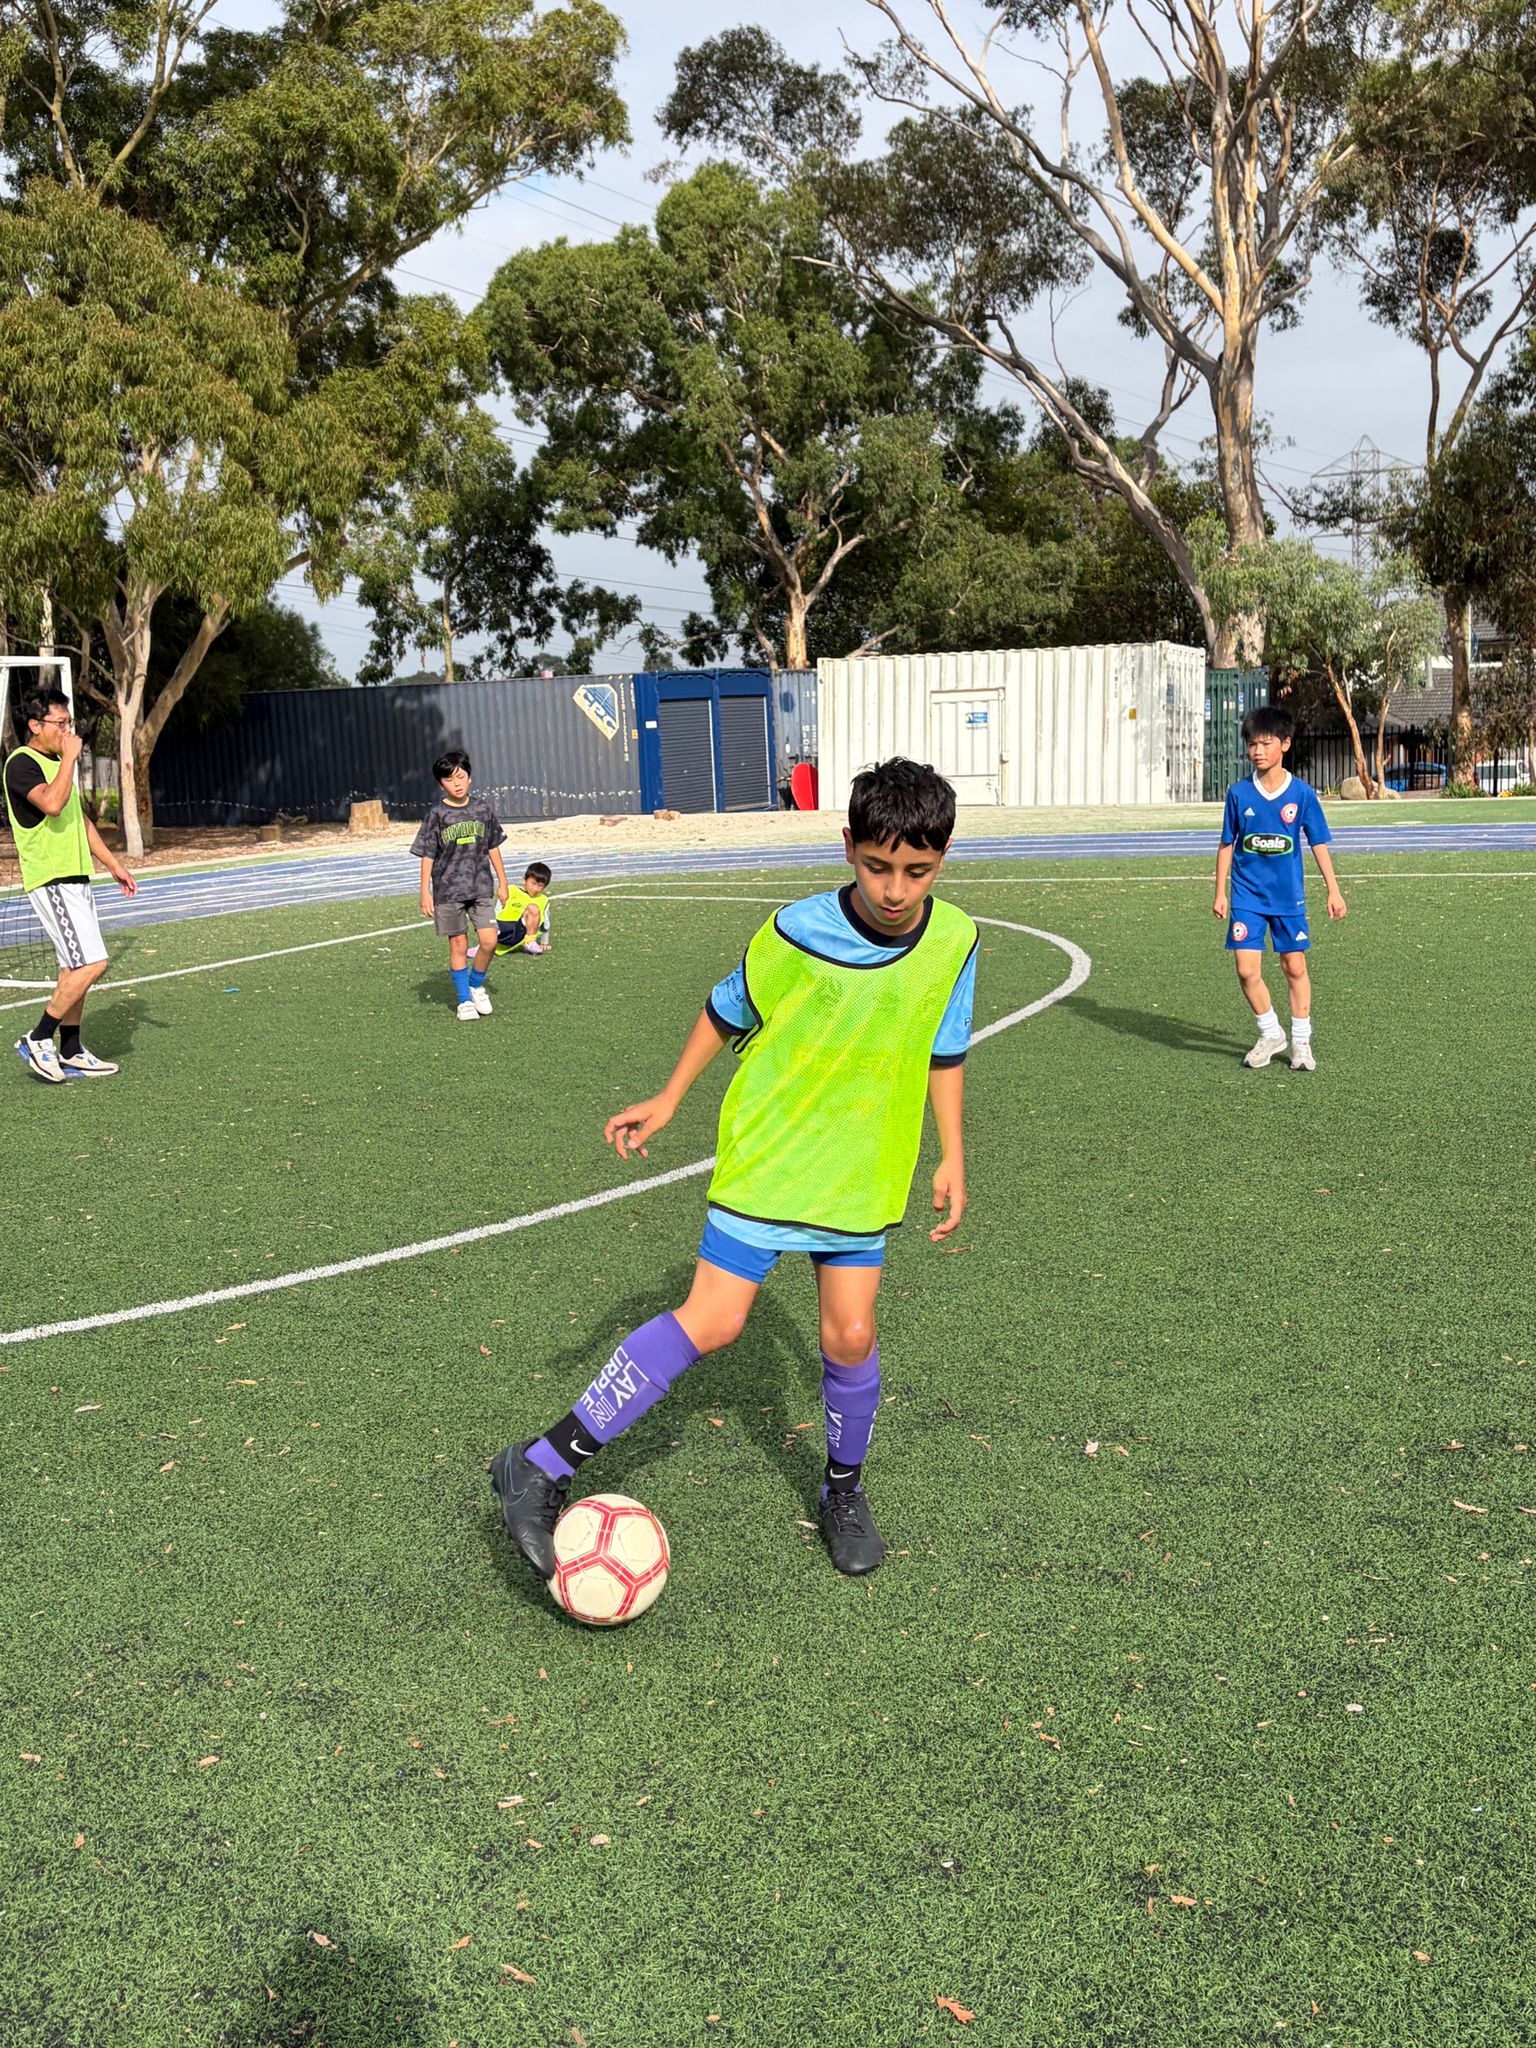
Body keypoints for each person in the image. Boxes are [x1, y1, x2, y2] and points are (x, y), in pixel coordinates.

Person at [490, 757, 977, 1579]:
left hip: (863, 1166)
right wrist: (669, 1098)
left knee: (852, 1335)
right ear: (848, 847)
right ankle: (537, 1466)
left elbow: (946, 1048)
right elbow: (725, 1010)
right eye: (877, 867)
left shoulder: (956, 940)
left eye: (917, 871)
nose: (896, 890)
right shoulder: (794, 932)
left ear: (944, 857)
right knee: (714, 1321)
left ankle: (843, 1492)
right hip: (770, 1153)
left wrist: (953, 1152)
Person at [4, 688, 137, 1082]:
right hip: (52, 879)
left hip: (76, 877)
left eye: (69, 723)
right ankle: (38, 1037)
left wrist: (113, 864)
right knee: (92, 963)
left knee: (73, 967)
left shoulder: (57, 764)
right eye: (60, 723)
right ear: (35, 725)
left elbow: (79, 820)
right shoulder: (21, 763)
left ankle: (71, 1048)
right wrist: (69, 759)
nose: (67, 731)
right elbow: (52, 805)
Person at [1213, 706, 1346, 1073]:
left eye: (1266, 743)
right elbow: (1226, 843)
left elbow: (1318, 842)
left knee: (1294, 966)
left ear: (1285, 744)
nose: (1257, 751)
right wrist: (1220, 891)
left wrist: (1333, 890)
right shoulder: (1238, 793)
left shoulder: (1301, 794)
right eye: (1252, 744)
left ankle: (1301, 1041)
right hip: (1247, 896)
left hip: (1288, 897)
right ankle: (1271, 1033)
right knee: (1246, 970)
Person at [410, 750, 510, 1022]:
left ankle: (475, 984)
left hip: (480, 888)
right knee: (458, 945)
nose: (457, 783)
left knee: (490, 940)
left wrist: (503, 882)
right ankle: (464, 1000)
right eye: (449, 779)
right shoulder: (437, 814)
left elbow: (493, 847)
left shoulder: (482, 810)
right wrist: (425, 892)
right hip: (448, 891)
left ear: (470, 777)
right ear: (441, 784)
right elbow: (427, 855)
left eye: (461, 777)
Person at [495, 861, 552, 956]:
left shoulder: (543, 900)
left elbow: (545, 925)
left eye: (540, 886)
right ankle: (483, 945)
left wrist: (544, 942)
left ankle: (530, 942)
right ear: (524, 880)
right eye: (533, 883)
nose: (535, 889)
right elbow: (496, 911)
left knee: (533, 908)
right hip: (501, 930)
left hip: (519, 934)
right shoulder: (510, 890)